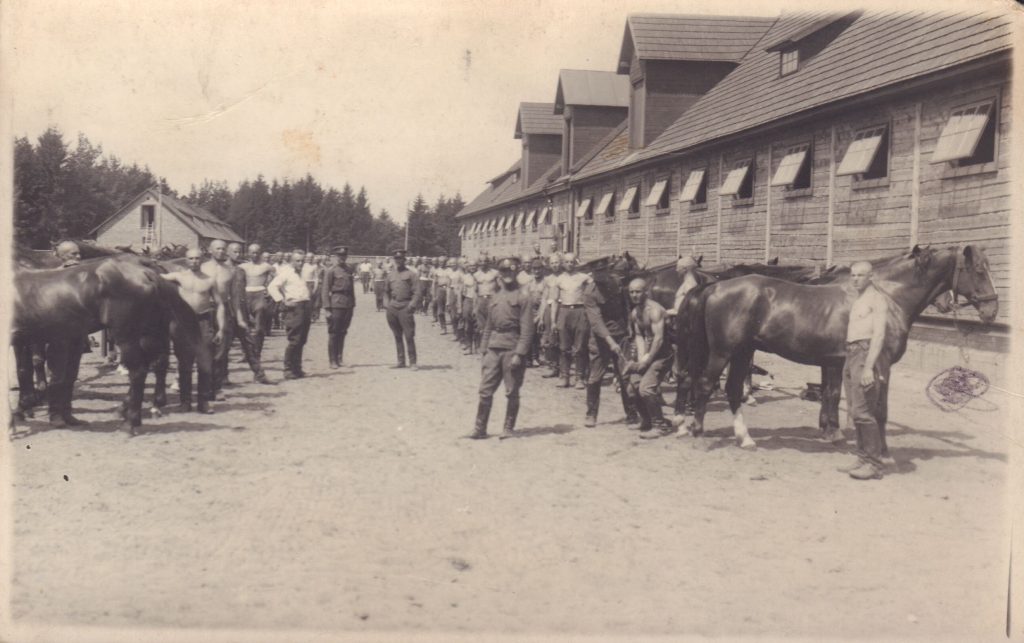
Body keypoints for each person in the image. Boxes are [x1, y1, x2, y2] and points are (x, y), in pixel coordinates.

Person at [468, 257, 535, 439]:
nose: (507, 275)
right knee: (485, 389)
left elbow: (527, 329)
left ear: (516, 272)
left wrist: (520, 354)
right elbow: (489, 325)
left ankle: (508, 428)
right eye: (504, 271)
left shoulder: (524, 296)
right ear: (500, 273)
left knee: (511, 390)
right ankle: (480, 429)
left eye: (511, 271)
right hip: (493, 348)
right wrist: (483, 349)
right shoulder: (495, 296)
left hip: (512, 348)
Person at [839, 261, 891, 480]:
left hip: (865, 354)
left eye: (860, 275)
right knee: (855, 411)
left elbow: (878, 335)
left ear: (871, 277)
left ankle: (874, 464)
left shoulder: (877, 299)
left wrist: (869, 367)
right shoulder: (859, 299)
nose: (855, 279)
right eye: (852, 275)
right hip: (851, 354)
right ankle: (862, 458)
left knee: (864, 411)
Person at [162, 247, 226, 414]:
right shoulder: (177, 277)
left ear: (202, 259)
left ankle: (204, 402)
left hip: (204, 322)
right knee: (184, 364)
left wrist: (221, 328)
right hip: (183, 324)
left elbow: (220, 304)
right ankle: (185, 401)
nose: (194, 261)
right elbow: (157, 276)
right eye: (191, 259)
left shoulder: (210, 280)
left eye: (197, 258)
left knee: (205, 363)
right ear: (186, 260)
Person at [582, 278, 640, 428]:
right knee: (595, 377)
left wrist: (629, 326)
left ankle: (632, 414)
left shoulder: (616, 285)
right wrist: (611, 342)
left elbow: (625, 306)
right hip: (600, 339)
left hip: (621, 336)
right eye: (597, 273)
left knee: (625, 376)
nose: (601, 275)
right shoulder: (589, 292)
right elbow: (596, 321)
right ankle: (591, 414)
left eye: (604, 271)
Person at [44, 241, 91, 426]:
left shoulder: (86, 275)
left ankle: (67, 412)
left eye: (79, 254)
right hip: (57, 334)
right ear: (62, 256)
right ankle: (54, 414)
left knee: (71, 374)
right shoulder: (53, 276)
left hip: (78, 332)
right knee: (57, 375)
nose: (78, 258)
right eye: (73, 254)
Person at [623, 278, 674, 437]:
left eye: (638, 291)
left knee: (646, 389)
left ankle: (660, 426)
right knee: (632, 389)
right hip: (648, 354)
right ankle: (647, 420)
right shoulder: (635, 312)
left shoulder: (655, 310)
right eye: (631, 292)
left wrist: (648, 360)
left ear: (646, 292)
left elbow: (659, 339)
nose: (634, 295)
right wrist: (641, 360)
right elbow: (639, 336)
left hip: (662, 355)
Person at [267, 251, 312, 379]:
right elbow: (272, 287)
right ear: (291, 261)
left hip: (305, 307)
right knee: (294, 340)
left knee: (302, 340)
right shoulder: (286, 273)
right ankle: (287, 369)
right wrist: (282, 301)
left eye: (302, 260)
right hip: (294, 308)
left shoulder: (303, 272)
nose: (301, 263)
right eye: (297, 261)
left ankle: (297, 368)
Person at [553, 252, 592, 389]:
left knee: (580, 347)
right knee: (564, 347)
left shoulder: (584, 277)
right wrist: (553, 320)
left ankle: (579, 378)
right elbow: (554, 301)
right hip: (564, 312)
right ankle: (564, 376)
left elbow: (592, 291)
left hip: (580, 311)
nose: (569, 264)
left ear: (576, 262)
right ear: (563, 263)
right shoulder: (559, 279)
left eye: (572, 262)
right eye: (567, 262)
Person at [384, 248, 421, 368]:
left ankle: (413, 362)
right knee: (397, 335)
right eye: (396, 258)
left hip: (405, 307)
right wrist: (387, 304)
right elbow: (386, 291)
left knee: (409, 335)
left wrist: (412, 305)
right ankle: (401, 361)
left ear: (404, 260)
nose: (398, 260)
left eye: (400, 258)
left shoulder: (411, 274)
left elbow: (417, 292)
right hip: (393, 307)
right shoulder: (390, 275)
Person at [322, 246, 356, 368]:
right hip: (336, 303)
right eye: (340, 256)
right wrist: (327, 308)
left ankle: (339, 358)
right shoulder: (331, 270)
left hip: (348, 304)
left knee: (343, 331)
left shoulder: (348, 269)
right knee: (334, 332)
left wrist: (353, 304)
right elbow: (325, 289)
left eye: (344, 256)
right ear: (336, 257)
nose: (342, 258)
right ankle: (332, 360)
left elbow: (351, 288)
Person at [240, 243, 275, 361]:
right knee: (244, 327)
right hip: (246, 296)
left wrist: (270, 290)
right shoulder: (243, 266)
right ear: (248, 253)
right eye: (252, 252)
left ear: (260, 253)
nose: (254, 255)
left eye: (257, 252)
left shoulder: (267, 266)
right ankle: (246, 354)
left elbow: (277, 279)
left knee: (259, 327)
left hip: (260, 295)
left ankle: (257, 353)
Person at [538, 253, 563, 378]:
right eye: (552, 263)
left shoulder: (564, 276)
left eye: (557, 262)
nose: (555, 265)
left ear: (561, 263)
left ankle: (563, 367)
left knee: (562, 337)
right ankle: (552, 366)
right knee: (549, 337)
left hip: (562, 309)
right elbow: (544, 298)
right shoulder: (547, 279)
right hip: (549, 309)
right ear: (549, 264)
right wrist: (541, 316)